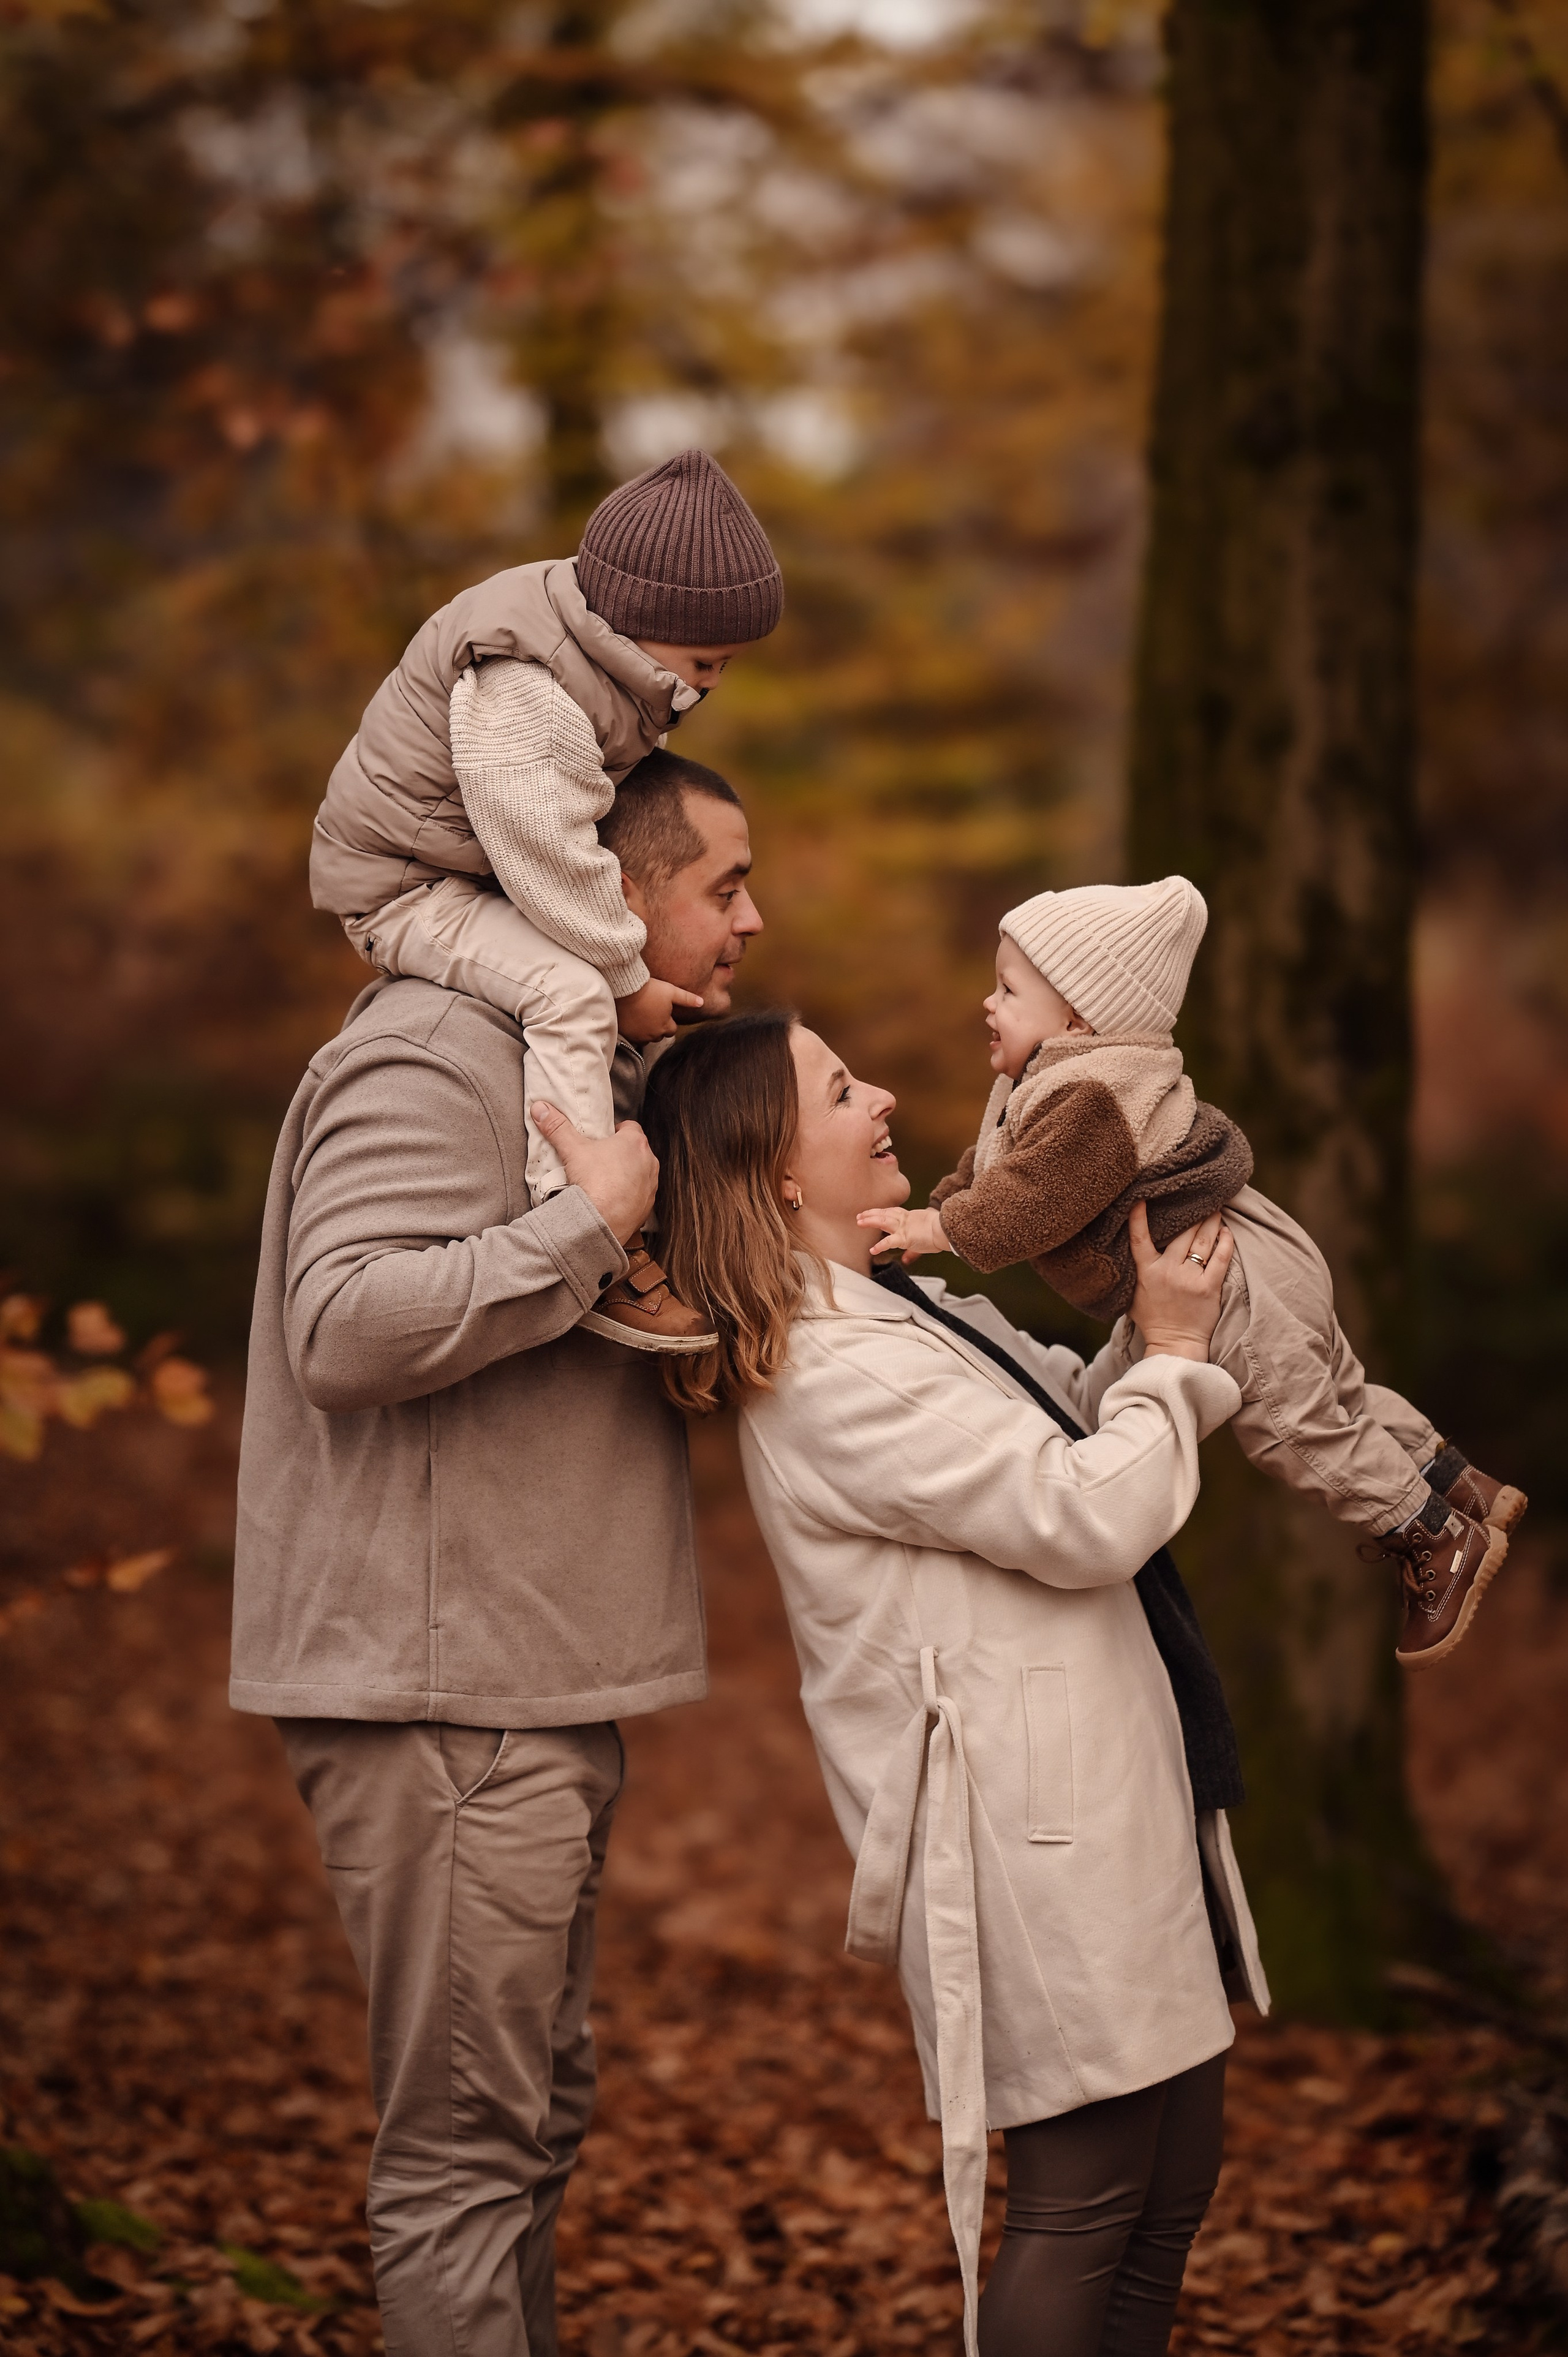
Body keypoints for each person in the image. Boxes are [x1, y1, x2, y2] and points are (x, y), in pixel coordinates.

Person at [230, 750, 761, 2357]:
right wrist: (588, 1224)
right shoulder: (438, 1051)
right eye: (723, 884)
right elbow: (345, 1321)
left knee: (518, 2137)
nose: (752, 920)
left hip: (511, 1692)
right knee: (467, 2160)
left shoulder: (565, 1054)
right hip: (444, 1702)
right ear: (608, 889)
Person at [641, 1008, 1270, 2357]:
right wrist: (1168, 1354)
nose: (878, 1098)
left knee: (1164, 2196)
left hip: (1109, 1792)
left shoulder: (905, 1303)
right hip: (1027, 1833)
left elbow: (1076, 1428)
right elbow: (1089, 1512)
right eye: (836, 1087)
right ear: (776, 1173)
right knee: (1084, 2202)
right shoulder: (828, 1369)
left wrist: (1159, 1325)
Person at [860, 878, 1527, 1670]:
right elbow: (992, 1171)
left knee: (1292, 1426)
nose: (987, 1002)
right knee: (1332, 1394)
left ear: (1078, 1015)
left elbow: (1030, 1200)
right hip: (1255, 1247)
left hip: (1227, 1284)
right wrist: (935, 1212)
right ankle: (1456, 1481)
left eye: (1008, 989)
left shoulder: (1092, 1097)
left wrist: (937, 1229)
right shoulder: (1063, 1080)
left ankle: (1431, 1533)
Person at [309, 446, 783, 1352]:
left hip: (459, 867)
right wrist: (624, 976)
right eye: (706, 661)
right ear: (640, 621)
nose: (712, 684)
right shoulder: (527, 688)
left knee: (573, 978)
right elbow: (547, 852)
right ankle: (589, 1227)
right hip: (405, 888)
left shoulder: (594, 649)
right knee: (567, 991)